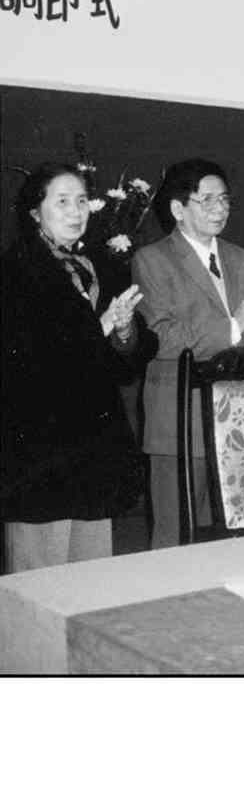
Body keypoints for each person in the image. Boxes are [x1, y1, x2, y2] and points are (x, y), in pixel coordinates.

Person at [132, 158, 244, 548]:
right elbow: (161, 337)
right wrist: (232, 328)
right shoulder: (151, 259)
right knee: (176, 539)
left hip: (239, 422)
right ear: (178, 209)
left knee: (230, 540)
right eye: (207, 200)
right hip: (180, 420)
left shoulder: (239, 257)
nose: (219, 208)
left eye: (224, 199)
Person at [1, 164, 152, 572]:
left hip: (94, 451)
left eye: (82, 200)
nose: (76, 211)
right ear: (35, 212)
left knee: (91, 582)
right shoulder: (15, 271)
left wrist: (124, 330)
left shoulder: (98, 264)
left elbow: (128, 360)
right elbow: (27, 364)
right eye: (62, 201)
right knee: (40, 584)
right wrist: (98, 329)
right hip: (41, 453)